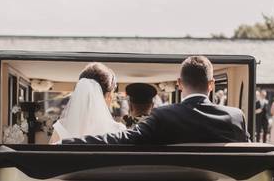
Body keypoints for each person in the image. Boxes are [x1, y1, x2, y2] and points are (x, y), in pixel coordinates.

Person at [62, 55, 248, 145]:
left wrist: (69, 143)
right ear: (211, 84)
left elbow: (124, 139)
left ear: (179, 84)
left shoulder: (165, 116)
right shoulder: (236, 117)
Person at [50, 62, 125, 142]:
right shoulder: (118, 131)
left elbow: (49, 154)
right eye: (112, 95)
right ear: (108, 95)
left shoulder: (61, 127)